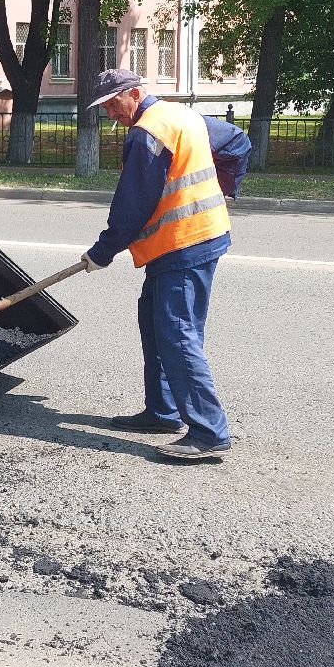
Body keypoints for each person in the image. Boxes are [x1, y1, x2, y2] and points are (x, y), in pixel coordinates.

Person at [79, 69, 250, 462]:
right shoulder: (182, 115)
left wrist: (102, 252)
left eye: (111, 104)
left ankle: (208, 432)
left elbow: (132, 206)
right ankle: (163, 411)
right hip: (182, 243)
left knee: (176, 332)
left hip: (184, 244)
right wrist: (227, 187)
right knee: (154, 321)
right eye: (103, 107)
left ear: (135, 93)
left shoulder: (147, 134)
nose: (109, 114)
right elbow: (238, 141)